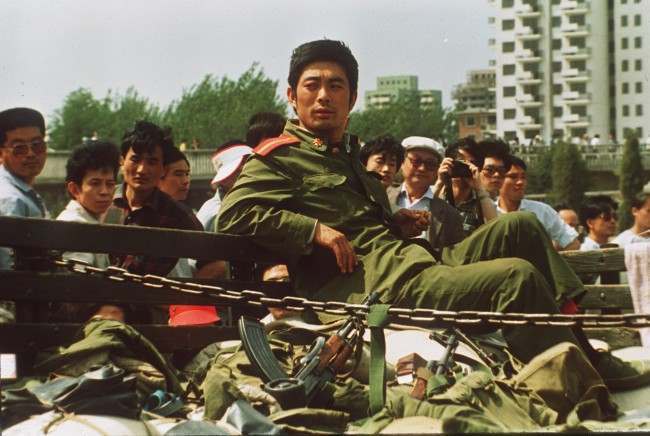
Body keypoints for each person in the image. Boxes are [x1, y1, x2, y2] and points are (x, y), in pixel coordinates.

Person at [216, 39, 650, 387]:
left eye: (336, 86)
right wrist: (313, 230)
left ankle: (579, 346)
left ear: (353, 98)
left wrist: (394, 223)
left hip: (408, 263)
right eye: (312, 85)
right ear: (292, 96)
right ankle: (576, 379)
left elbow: (362, 226)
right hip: (360, 290)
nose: (324, 96)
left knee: (521, 226)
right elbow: (234, 213)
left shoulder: (347, 156)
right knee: (514, 275)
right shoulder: (278, 158)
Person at [109, 120, 217, 324]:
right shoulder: (106, 204)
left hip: (155, 319)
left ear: (162, 168)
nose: (142, 169)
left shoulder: (177, 215)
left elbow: (215, 262)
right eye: (135, 159)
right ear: (122, 161)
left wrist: (182, 299)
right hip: (106, 309)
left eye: (152, 161)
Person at [56, 140, 125, 322]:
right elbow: (79, 290)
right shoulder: (76, 226)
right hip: (69, 322)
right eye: (95, 183)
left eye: (110, 184)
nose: (104, 192)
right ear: (74, 189)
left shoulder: (89, 221)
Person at [385, 136, 463, 251]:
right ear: (402, 163)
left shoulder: (451, 216)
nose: (422, 168)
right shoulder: (381, 197)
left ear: (437, 170)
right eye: (416, 161)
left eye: (430, 164)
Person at [0, 107, 49, 270]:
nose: (30, 154)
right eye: (19, 148)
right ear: (1, 154)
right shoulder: (10, 199)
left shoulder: (22, 191)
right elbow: (10, 269)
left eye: (37, 145)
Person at [497, 156, 580, 251]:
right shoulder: (488, 212)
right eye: (513, 177)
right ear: (499, 179)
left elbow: (572, 242)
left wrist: (551, 262)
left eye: (523, 177)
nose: (520, 182)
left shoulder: (542, 211)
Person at [432, 137, 497, 236]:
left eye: (470, 164)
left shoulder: (482, 203)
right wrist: (440, 182)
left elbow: (495, 228)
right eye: (460, 162)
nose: (465, 167)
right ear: (449, 163)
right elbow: (421, 219)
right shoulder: (436, 194)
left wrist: (479, 188)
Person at [196, 141, 252, 232]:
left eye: (252, 168)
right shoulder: (214, 214)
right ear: (223, 180)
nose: (249, 175)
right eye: (239, 172)